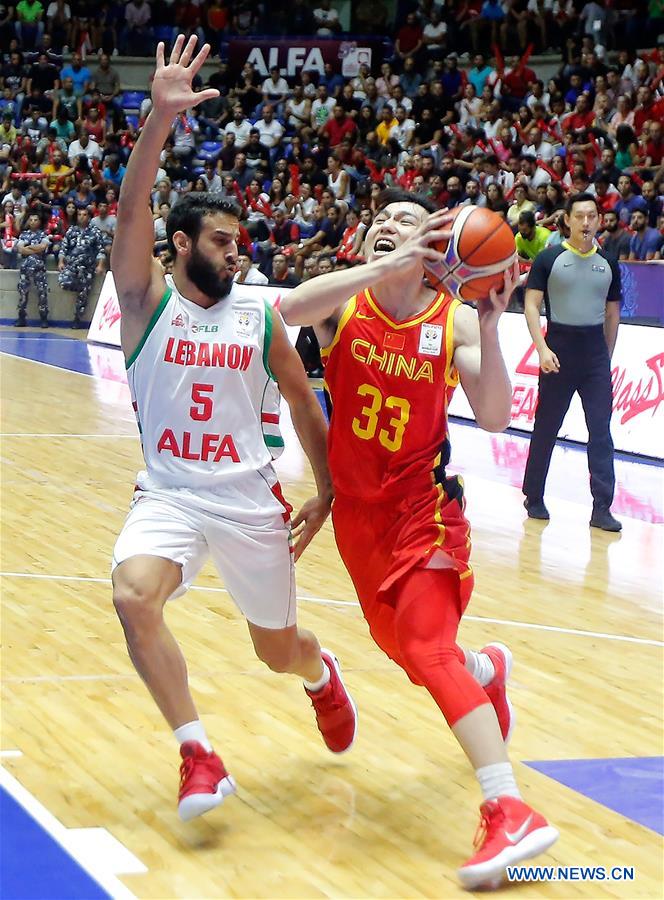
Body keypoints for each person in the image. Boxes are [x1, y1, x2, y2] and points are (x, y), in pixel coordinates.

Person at [280, 188, 558, 889]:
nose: (386, 228)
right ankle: (487, 669)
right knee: (412, 655)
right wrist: (384, 267)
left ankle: (508, 808)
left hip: (424, 513)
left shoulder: (454, 318)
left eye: (405, 221)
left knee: (429, 651)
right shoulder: (344, 304)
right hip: (359, 521)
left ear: (437, 244)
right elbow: (283, 312)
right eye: (379, 223)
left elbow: (495, 417)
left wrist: (492, 332)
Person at [109, 35, 357, 823]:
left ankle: (321, 675)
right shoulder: (147, 301)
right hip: (171, 494)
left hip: (250, 500)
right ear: (180, 246)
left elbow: (302, 400)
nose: (235, 251)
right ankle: (197, 752)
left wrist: (326, 492)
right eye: (221, 241)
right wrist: (158, 122)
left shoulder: (257, 313)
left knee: (276, 650)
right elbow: (129, 209)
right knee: (132, 596)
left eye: (238, 241)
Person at [522, 193, 622, 531]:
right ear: (567, 220)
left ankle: (602, 508)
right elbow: (532, 306)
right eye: (579, 216)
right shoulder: (549, 259)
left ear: (599, 220)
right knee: (546, 427)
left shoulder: (608, 262)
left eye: (591, 216)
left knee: (600, 432)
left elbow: (612, 313)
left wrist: (605, 357)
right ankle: (533, 495)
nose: (585, 222)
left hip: (594, 353)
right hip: (558, 348)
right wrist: (541, 348)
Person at [58, 208, 107, 327]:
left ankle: (77, 318)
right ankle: (78, 286)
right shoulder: (71, 230)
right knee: (63, 282)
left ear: (88, 217)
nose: (81, 217)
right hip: (72, 265)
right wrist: (61, 262)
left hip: (87, 267)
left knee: (84, 293)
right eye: (79, 214)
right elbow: (64, 248)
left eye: (84, 215)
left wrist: (100, 265)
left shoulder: (95, 232)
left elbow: (100, 250)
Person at [16, 211, 50, 328]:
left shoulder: (44, 235)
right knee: (23, 293)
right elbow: (20, 249)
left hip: (39, 269)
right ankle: (21, 317)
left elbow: (42, 247)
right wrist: (34, 249)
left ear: (39, 222)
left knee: (42, 294)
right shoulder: (23, 235)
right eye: (31, 220)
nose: (33, 222)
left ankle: (44, 318)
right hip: (25, 269)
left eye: (35, 220)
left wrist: (28, 247)